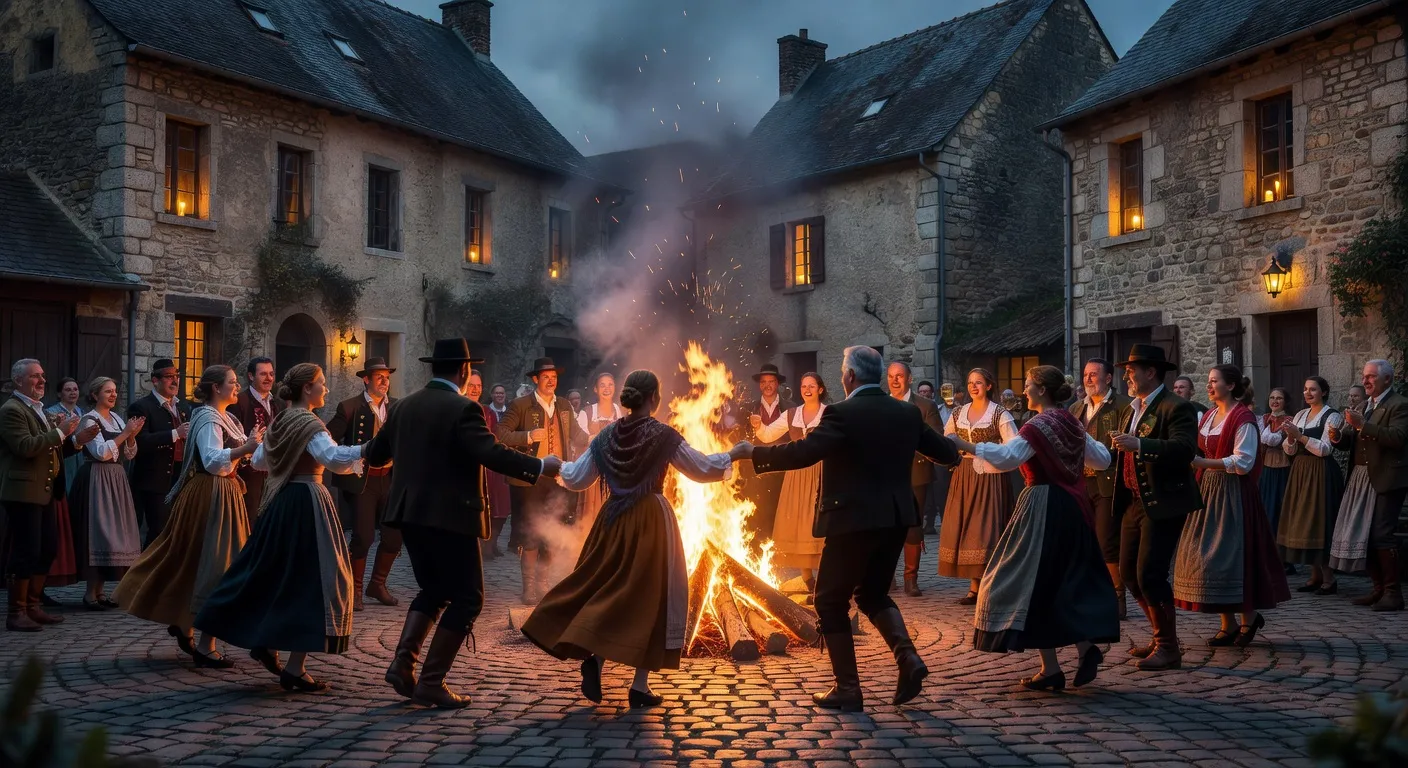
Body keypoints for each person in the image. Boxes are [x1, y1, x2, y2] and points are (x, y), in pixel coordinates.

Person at [735, 346, 958, 712]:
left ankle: (848, 688)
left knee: (829, 599)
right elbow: (945, 453)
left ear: (850, 376)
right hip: (895, 518)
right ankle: (908, 659)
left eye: (842, 372)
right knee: (872, 594)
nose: (841, 377)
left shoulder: (841, 413)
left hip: (851, 520)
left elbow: (803, 452)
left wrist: (753, 452)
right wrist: (959, 449)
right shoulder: (906, 411)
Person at [523, 370, 736, 708]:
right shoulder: (663, 435)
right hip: (651, 519)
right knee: (650, 597)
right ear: (655, 398)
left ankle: (596, 658)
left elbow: (577, 478)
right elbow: (701, 469)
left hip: (613, 520)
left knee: (609, 587)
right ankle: (638, 686)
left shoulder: (605, 436)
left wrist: (553, 466)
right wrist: (735, 455)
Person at [365, 338, 557, 708]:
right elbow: (490, 452)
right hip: (453, 517)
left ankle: (403, 665)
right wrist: (537, 465)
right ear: (464, 370)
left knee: (434, 591)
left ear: (433, 368)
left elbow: (375, 455)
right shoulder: (463, 409)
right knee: (468, 598)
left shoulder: (403, 406)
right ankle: (431, 681)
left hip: (409, 515)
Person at [196, 364, 367, 693]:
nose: (326, 389)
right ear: (307, 389)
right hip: (307, 503)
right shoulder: (310, 424)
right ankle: (294, 668)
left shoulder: (282, 420)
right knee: (317, 579)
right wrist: (367, 449)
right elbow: (333, 459)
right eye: (321, 384)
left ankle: (258, 643)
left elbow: (259, 461)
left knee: (267, 573)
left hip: (280, 503)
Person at [954, 365, 1117, 691]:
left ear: (1042, 390)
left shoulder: (1037, 426)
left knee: (1027, 581)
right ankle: (1064, 661)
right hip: (1073, 509)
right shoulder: (1071, 421)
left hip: (1042, 509)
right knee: (1054, 583)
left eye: (1028, 385)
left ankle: (1060, 663)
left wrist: (965, 446)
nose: (1024, 391)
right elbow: (1102, 459)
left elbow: (1007, 457)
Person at [112, 365, 263, 667]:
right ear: (216, 388)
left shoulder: (227, 417)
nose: (237, 387)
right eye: (232, 383)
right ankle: (206, 645)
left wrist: (254, 446)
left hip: (224, 492)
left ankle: (185, 624)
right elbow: (211, 460)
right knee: (218, 566)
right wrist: (243, 448)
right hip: (212, 494)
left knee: (199, 562)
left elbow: (245, 456)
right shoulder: (208, 418)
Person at [1173, 366, 1289, 648]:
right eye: (1209, 381)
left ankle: (1249, 618)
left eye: (1215, 381)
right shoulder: (1210, 415)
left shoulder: (1243, 418)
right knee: (1204, 558)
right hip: (1206, 492)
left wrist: (1204, 464)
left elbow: (1244, 462)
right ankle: (1228, 623)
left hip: (1233, 495)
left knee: (1229, 558)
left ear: (1231, 385)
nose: (1209, 386)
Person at [1111, 344, 1203, 672]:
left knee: (1150, 573)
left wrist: (1141, 444)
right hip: (1134, 502)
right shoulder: (1131, 408)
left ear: (1151, 372)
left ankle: (1168, 647)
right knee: (1128, 574)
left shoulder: (1177, 406)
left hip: (1163, 501)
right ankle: (1159, 633)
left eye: (1131, 370)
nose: (1126, 375)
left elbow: (1185, 449)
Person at [0, 359, 93, 631]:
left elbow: (49, 451)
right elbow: (25, 447)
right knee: (25, 550)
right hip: (23, 491)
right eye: (34, 377)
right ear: (18, 381)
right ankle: (16, 612)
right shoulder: (11, 410)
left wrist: (76, 441)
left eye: (42, 375)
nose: (42, 381)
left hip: (46, 491)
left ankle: (33, 607)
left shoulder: (37, 409)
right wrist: (60, 432)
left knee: (47, 548)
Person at [498, 357, 589, 604]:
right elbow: (501, 433)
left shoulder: (564, 405)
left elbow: (578, 435)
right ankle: (528, 587)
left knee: (552, 532)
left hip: (558, 478)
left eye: (555, 377)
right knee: (530, 534)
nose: (551, 381)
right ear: (536, 379)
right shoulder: (520, 405)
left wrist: (597, 439)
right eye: (546, 377)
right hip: (530, 479)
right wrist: (527, 436)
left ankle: (543, 583)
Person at [1328, 359, 1407, 611]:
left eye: (1371, 376)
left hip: (1386, 477)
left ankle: (1393, 593)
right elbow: (1352, 441)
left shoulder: (1400, 405)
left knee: (1381, 534)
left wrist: (1363, 424)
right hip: (1360, 477)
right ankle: (1378, 589)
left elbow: (1397, 438)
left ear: (1387, 379)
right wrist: (1338, 437)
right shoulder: (1365, 404)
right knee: (1364, 533)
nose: (1365, 381)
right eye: (1364, 376)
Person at [325, 357, 401, 610]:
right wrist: (351, 456)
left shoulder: (397, 407)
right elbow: (328, 441)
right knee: (364, 537)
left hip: (389, 480)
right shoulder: (349, 407)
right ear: (366, 379)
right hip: (362, 480)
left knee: (393, 537)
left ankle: (376, 584)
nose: (384, 381)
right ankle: (354, 589)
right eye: (378, 376)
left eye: (387, 376)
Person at [939, 368, 1018, 604]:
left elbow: (1013, 446)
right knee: (968, 529)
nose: (974, 387)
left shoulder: (999, 414)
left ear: (989, 386)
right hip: (964, 475)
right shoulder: (958, 413)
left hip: (991, 477)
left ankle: (990, 586)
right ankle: (974, 587)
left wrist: (987, 451)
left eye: (979, 383)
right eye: (971, 383)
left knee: (987, 530)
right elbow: (946, 440)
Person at [69, 378, 145, 610]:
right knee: (98, 532)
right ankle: (90, 593)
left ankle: (101, 591)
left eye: (115, 391)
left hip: (116, 478)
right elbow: (101, 452)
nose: (113, 395)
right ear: (94, 395)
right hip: (97, 478)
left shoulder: (117, 419)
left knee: (113, 534)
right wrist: (125, 434)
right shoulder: (88, 420)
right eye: (107, 391)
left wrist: (131, 437)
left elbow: (129, 455)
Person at [1070, 357, 1132, 620]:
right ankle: (1090, 594)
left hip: (1109, 482)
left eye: (1094, 374)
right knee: (1083, 540)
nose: (1088, 379)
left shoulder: (1123, 406)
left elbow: (1129, 446)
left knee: (1107, 541)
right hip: (1080, 482)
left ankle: (1117, 597)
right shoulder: (1075, 408)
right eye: (1085, 374)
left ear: (1108, 379)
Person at [1277, 376, 1345, 594]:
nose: (1308, 393)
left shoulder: (1332, 416)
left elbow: (1326, 449)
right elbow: (1289, 450)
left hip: (1321, 472)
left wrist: (1301, 436)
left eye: (1313, 390)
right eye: (1305, 389)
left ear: (1323, 392)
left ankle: (1329, 577)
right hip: (1300, 470)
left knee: (1319, 521)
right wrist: (1289, 438)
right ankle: (1315, 574)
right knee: (1303, 521)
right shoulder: (1300, 415)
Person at [887, 361, 944, 597]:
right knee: (885, 526)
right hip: (884, 474)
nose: (895, 380)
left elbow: (936, 438)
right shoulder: (881, 403)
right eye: (891, 376)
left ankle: (911, 578)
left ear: (909, 378)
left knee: (911, 525)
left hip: (915, 473)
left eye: (899, 376)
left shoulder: (925, 405)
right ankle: (887, 578)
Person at [770, 372, 828, 590]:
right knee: (797, 526)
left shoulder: (828, 413)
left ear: (820, 389)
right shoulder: (791, 414)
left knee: (817, 524)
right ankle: (808, 580)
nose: (807, 389)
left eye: (812, 386)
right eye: (804, 386)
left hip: (820, 473)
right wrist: (757, 425)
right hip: (796, 475)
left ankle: (824, 580)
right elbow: (767, 435)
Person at [127, 360, 192, 547]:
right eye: (169, 377)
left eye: (177, 376)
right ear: (155, 380)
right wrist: (175, 434)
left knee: (178, 529)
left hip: (180, 477)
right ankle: (146, 573)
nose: (175, 381)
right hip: (154, 480)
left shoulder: (183, 407)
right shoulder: (141, 407)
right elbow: (140, 442)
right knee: (158, 531)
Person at [738, 363, 793, 556]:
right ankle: (755, 552)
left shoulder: (791, 409)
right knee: (755, 510)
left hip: (781, 468)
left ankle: (776, 553)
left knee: (778, 510)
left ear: (777, 383)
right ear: (759, 385)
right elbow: (741, 438)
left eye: (771, 381)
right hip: (755, 468)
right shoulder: (746, 409)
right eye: (764, 382)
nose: (767, 385)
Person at [41, 377, 86, 602]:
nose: (72, 393)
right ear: (60, 394)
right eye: (67, 389)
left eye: (75, 389)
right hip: (60, 463)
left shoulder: (82, 412)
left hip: (77, 459)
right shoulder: (51, 413)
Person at [230, 357, 283, 523]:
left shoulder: (277, 402)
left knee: (271, 517)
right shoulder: (240, 401)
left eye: (271, 374)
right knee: (250, 517)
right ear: (251, 376)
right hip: (249, 472)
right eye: (263, 374)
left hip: (272, 471)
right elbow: (232, 436)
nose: (269, 378)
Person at [573, 372, 622, 534]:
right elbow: (577, 439)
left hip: (613, 470)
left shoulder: (618, 411)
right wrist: (593, 438)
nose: (607, 388)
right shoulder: (586, 413)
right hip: (593, 471)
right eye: (602, 385)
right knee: (591, 511)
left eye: (610, 384)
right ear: (595, 389)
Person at [480, 375, 512, 559]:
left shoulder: (509, 411)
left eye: (502, 393)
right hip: (489, 463)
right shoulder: (488, 413)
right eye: (496, 393)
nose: (500, 395)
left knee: (503, 508)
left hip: (505, 462)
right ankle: (486, 544)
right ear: (491, 395)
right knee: (491, 505)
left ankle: (493, 542)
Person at [1258, 388, 1293, 538]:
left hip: (1283, 467)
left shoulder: (1291, 420)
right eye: (1272, 398)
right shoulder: (1264, 418)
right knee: (1265, 504)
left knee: (1280, 504)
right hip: (1265, 467)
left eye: (1279, 398)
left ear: (1285, 402)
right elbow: (1261, 441)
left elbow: (1277, 441)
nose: (1275, 401)